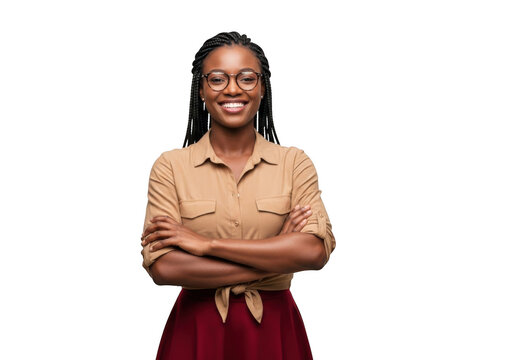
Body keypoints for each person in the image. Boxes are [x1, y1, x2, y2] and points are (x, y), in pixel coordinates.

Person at [140, 31, 336, 360]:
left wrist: (206, 245)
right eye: (217, 79)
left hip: (275, 329)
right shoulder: (171, 167)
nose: (233, 89)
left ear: (262, 88)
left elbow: (314, 251)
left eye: (246, 78)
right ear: (201, 89)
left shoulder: (293, 163)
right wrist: (277, 258)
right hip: (197, 330)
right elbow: (164, 266)